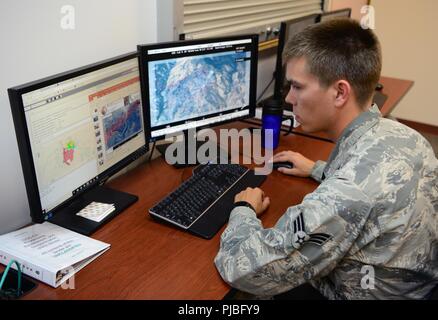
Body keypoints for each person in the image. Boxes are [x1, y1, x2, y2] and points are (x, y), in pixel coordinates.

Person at [214, 18, 438, 299]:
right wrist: (319, 169)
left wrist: (243, 210)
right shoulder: (406, 136)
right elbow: (379, 189)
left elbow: (245, 269)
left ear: (340, 92)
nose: (289, 98)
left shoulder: (348, 193)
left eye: (297, 86)